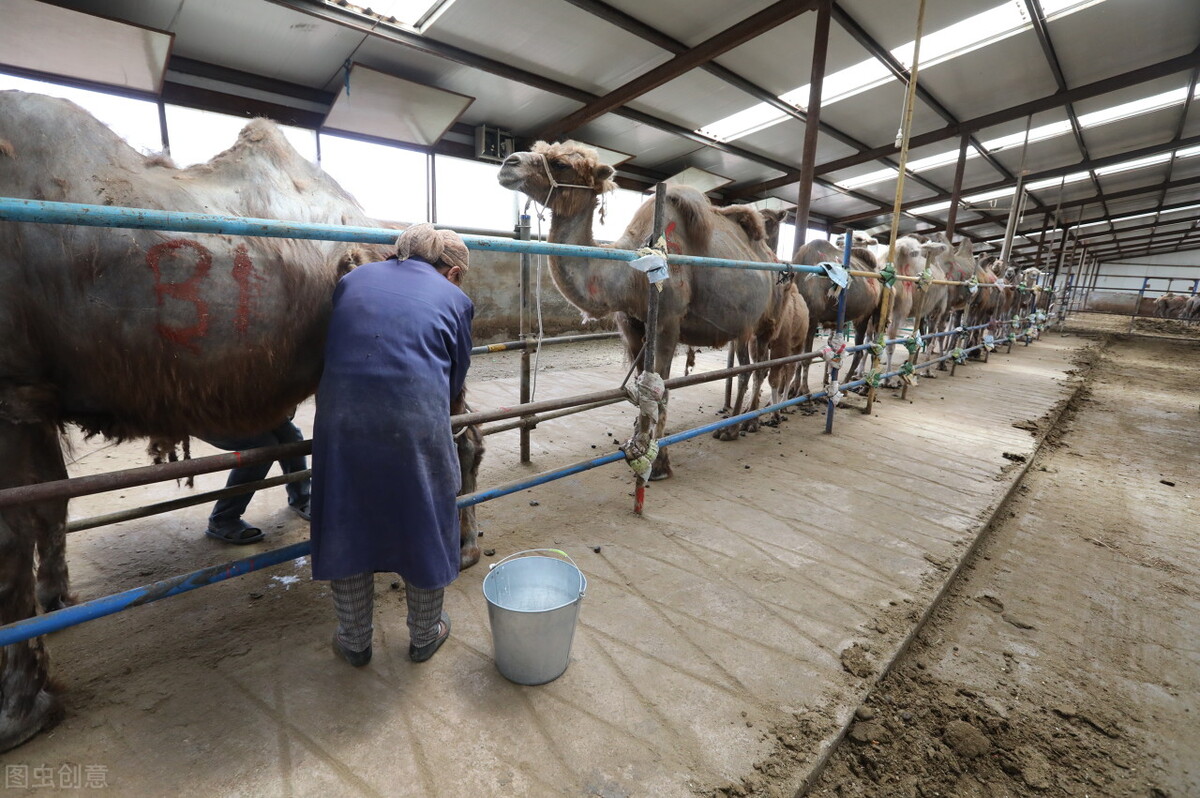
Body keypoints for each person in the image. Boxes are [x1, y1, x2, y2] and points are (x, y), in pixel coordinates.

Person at [309, 223, 473, 667]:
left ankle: (354, 640)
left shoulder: (353, 279)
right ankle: (425, 635)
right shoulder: (455, 299)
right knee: (426, 513)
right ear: (454, 273)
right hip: (414, 418)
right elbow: (454, 380)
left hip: (340, 420)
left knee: (346, 515)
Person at [202, 416, 312, 544]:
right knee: (263, 445)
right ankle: (222, 518)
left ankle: (301, 497)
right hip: (209, 413)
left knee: (290, 435)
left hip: (249, 412)